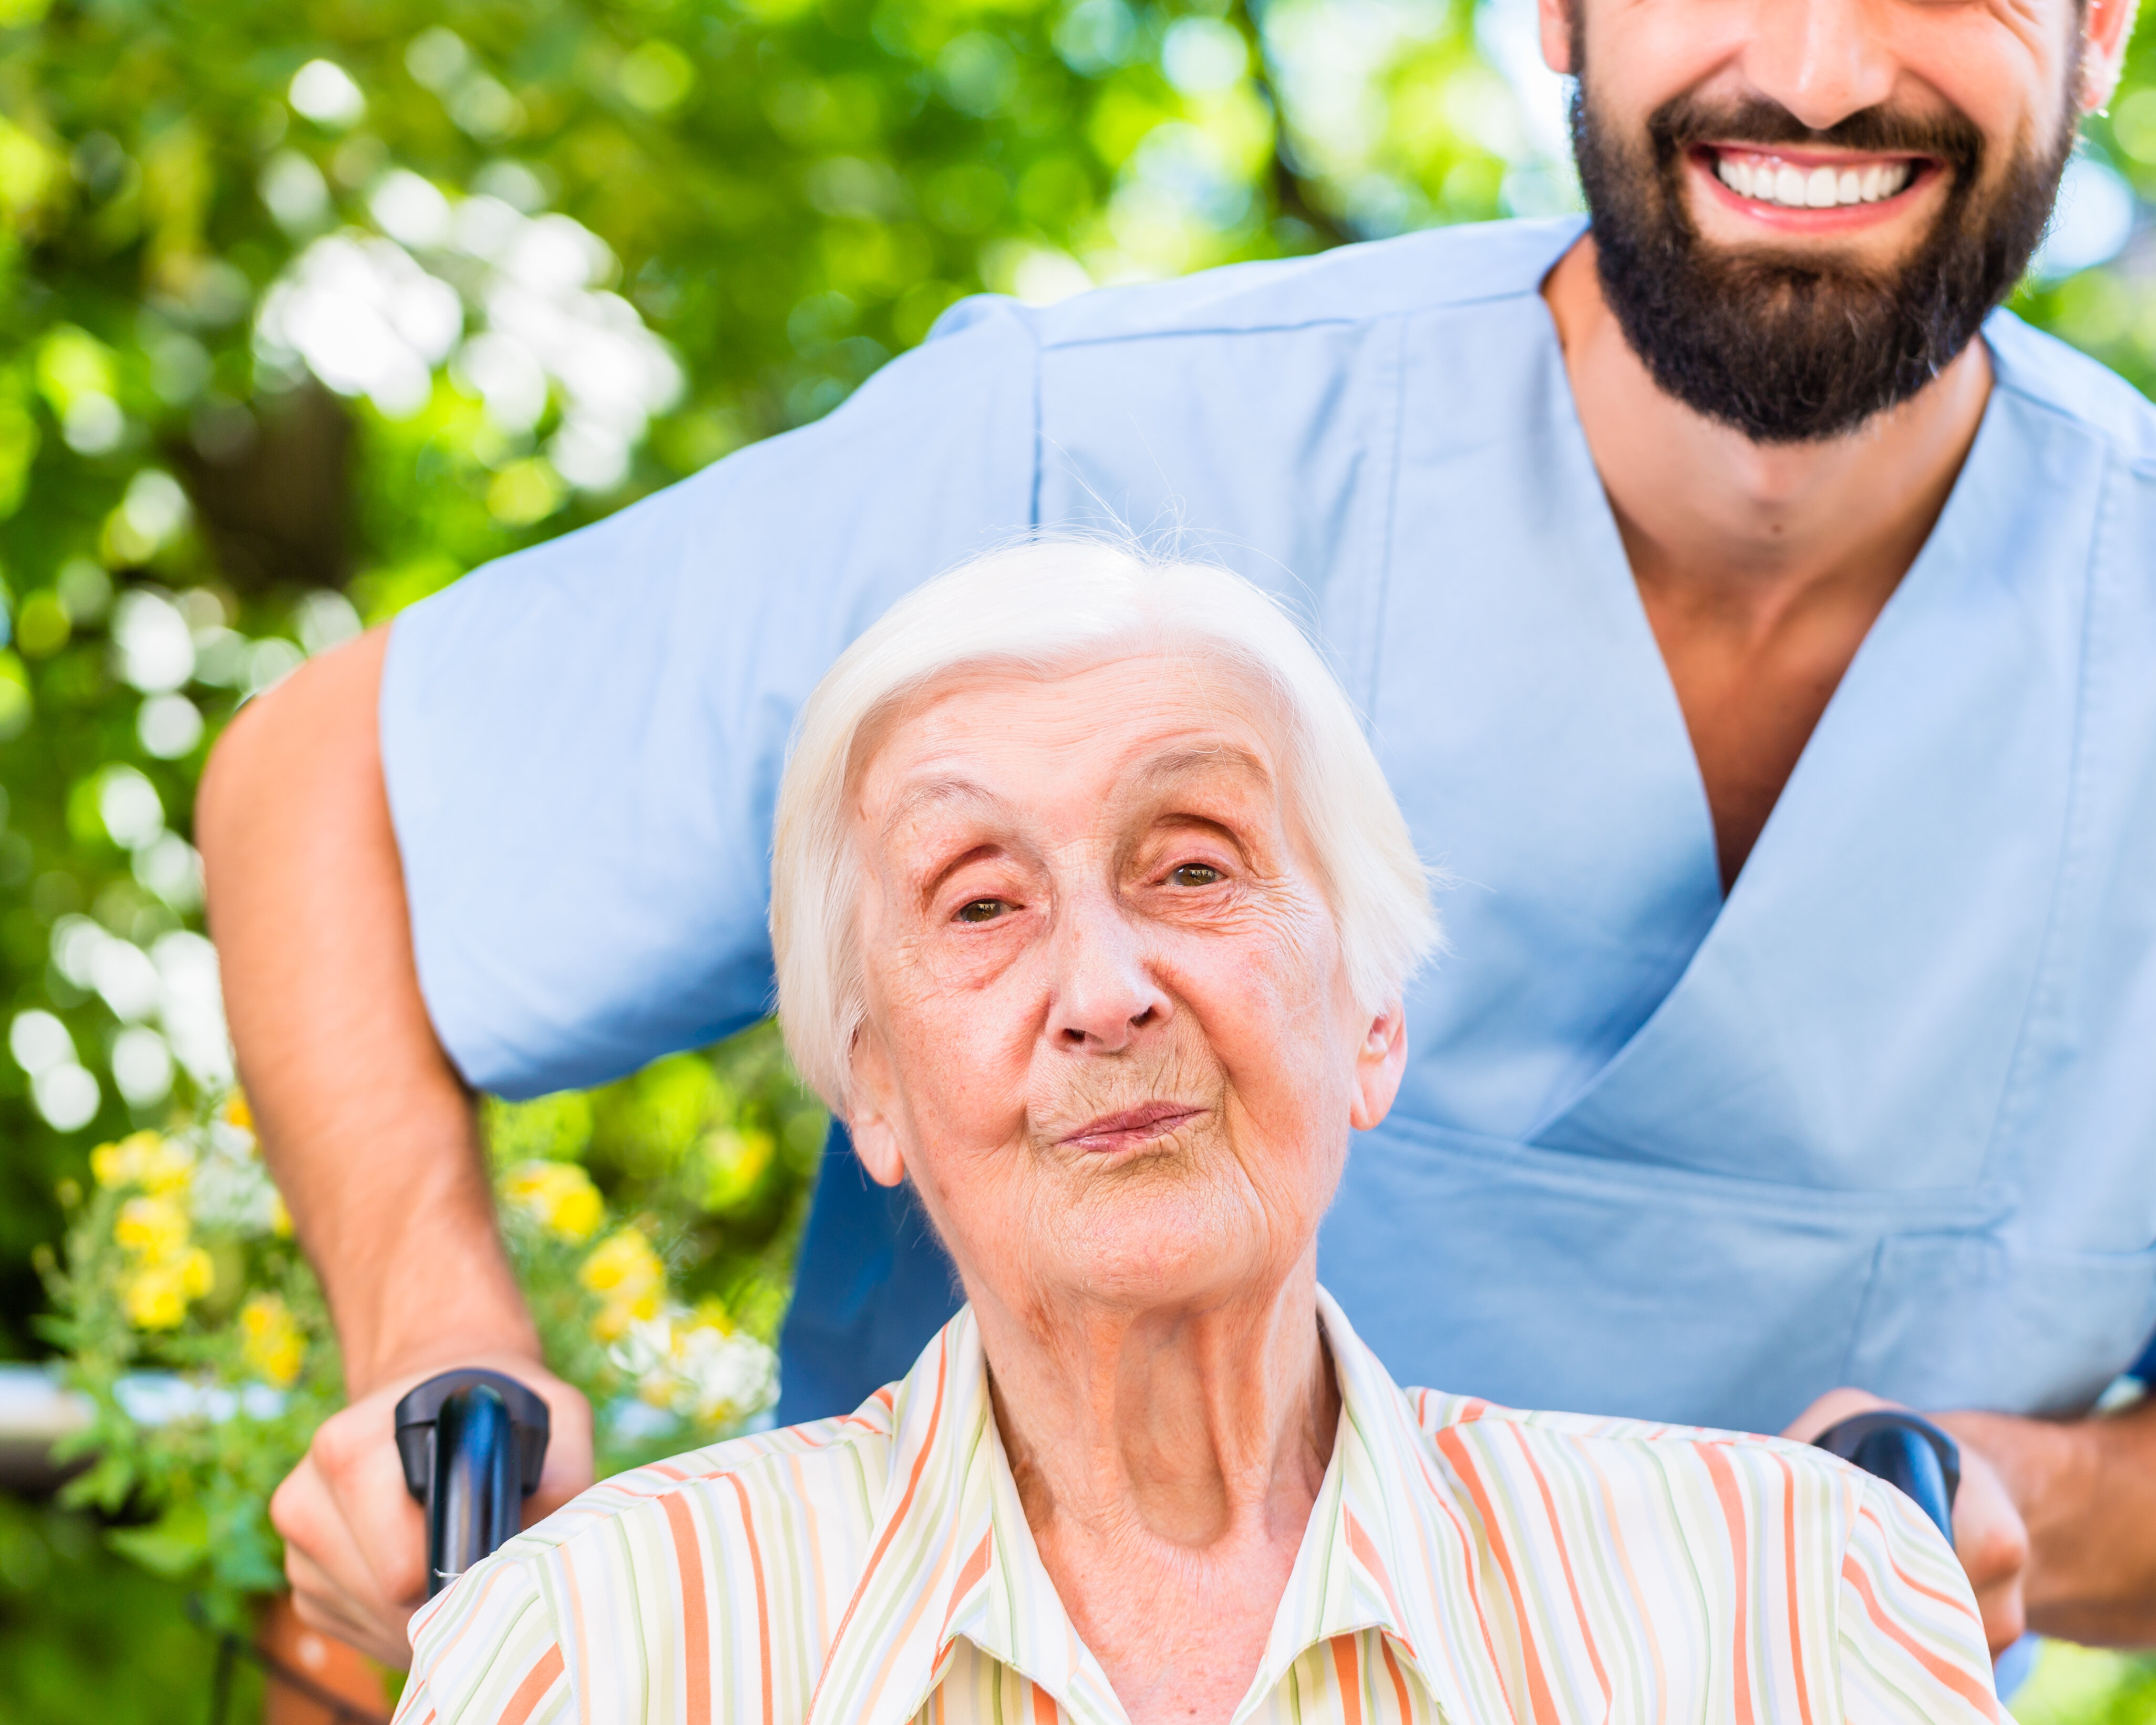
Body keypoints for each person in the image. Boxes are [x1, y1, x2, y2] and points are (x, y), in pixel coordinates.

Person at [202, 0, 2156, 1681]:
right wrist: (441, 1354)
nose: (1816, 62)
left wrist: (2016, 1499)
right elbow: (333, 779)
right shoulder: (1090, 459)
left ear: (2096, 0)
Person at [394, 540, 2003, 1725]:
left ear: (1371, 1015)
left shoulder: (1795, 1604)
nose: (1106, 990)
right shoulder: (593, 1647)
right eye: (983, 903)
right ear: (873, 1087)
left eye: (1192, 869)